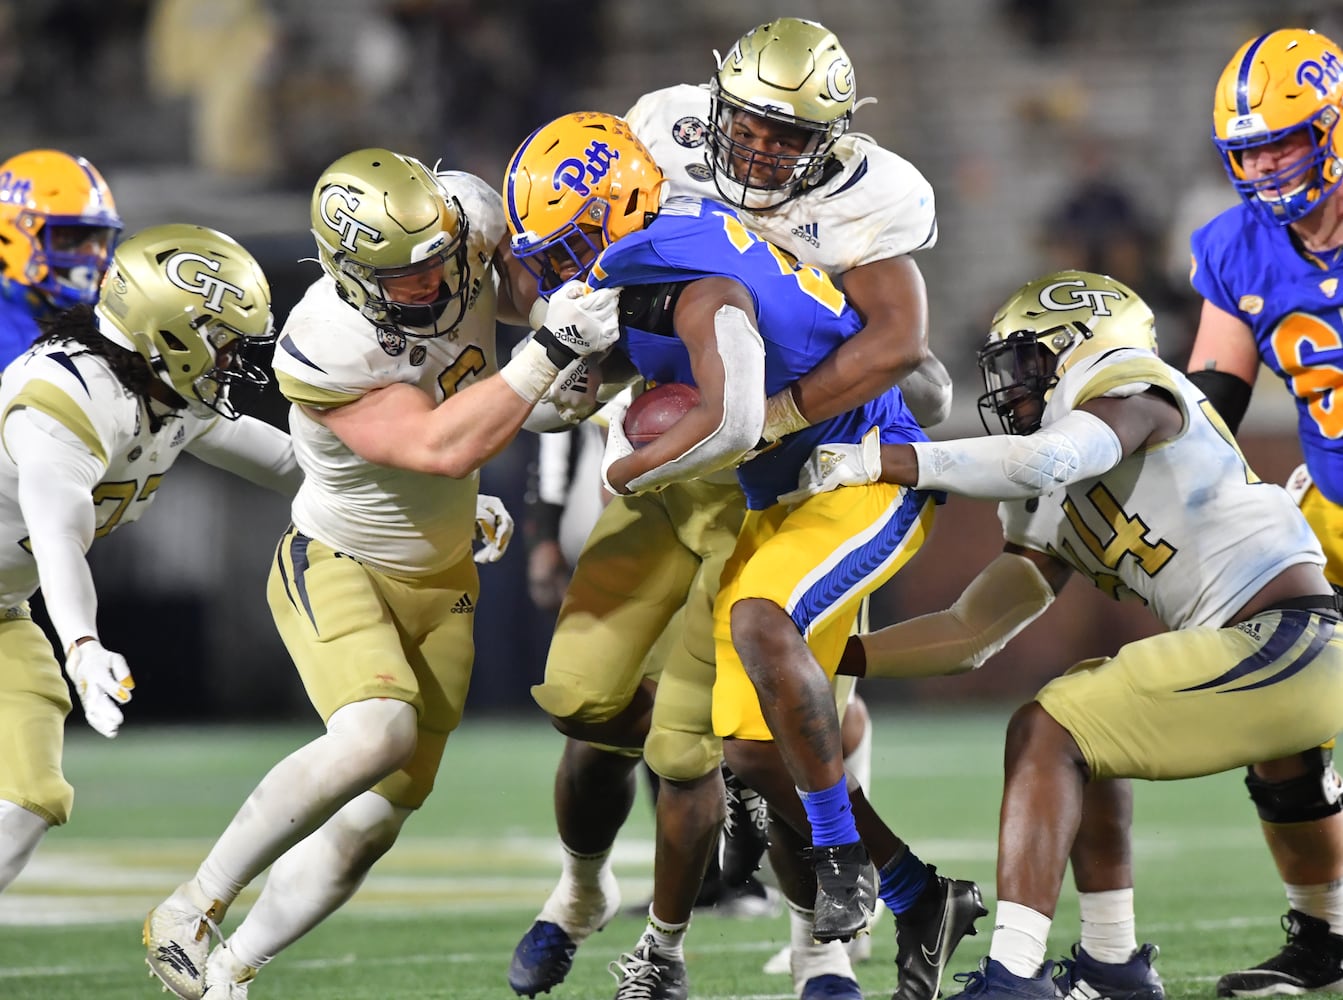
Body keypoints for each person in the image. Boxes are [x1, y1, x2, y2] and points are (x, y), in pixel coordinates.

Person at [509, 19, 968, 1000]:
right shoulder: (658, 136)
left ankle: (823, 945)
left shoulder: (867, 197)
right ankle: (585, 888)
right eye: (746, 126)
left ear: (833, 140)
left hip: (787, 452)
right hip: (681, 424)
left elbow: (888, 343)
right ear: (712, 104)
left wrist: (777, 412)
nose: (757, 150)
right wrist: (579, 375)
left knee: (768, 732)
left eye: (786, 136)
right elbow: (582, 270)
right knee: (593, 704)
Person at [144, 148, 619, 1000]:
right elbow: (439, 447)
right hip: (341, 560)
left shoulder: (465, 226)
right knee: (375, 735)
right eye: (404, 274)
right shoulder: (325, 340)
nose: (431, 281)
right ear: (347, 268)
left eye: (440, 255)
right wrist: (551, 352)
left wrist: (573, 342)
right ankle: (190, 905)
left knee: (375, 822)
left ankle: (230, 972)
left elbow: (520, 314)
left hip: (443, 579)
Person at [838, 268, 1343, 1000]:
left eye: (1026, 361)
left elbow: (1052, 456)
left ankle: (1013, 975)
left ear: (1081, 342)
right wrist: (830, 652)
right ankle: (1113, 962)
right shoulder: (1044, 491)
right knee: (1084, 711)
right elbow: (967, 632)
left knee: (1048, 729)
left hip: (1291, 639)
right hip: (1261, 654)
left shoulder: (1131, 384)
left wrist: (878, 460)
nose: (1010, 385)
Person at [0, 222, 296, 895]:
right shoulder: (67, 396)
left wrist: (435, 501)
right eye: (222, 339)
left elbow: (287, 461)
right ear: (172, 333)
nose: (232, 360)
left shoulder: (164, 392)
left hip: (2, 608)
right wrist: (80, 643)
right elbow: (57, 535)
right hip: (23, 600)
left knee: (28, 799)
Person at [1185, 28, 1343, 996]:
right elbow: (1209, 402)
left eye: (1284, 143)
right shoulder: (1235, 243)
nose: (1266, 167)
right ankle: (1321, 932)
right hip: (1327, 507)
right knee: (1270, 697)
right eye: (1248, 151)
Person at [0, 149, 122, 370]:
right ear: (9, 236)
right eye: (68, 236)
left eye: (99, 238)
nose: (93, 254)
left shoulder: (104, 318)